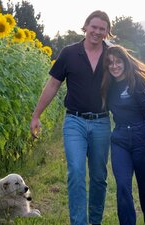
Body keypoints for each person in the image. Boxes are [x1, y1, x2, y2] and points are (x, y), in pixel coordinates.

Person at [30, 10, 112, 225]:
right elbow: (53, 85)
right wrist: (36, 115)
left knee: (98, 177)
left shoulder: (112, 55)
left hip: (102, 122)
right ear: (85, 27)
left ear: (107, 32)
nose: (97, 32)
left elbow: (126, 79)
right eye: (93, 27)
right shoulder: (69, 53)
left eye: (102, 29)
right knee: (76, 172)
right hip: (74, 121)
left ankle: (95, 221)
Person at [101, 45, 145, 225]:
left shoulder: (136, 81)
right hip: (119, 139)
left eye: (118, 61)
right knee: (123, 187)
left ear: (125, 62)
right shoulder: (108, 85)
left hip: (140, 137)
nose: (114, 66)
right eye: (110, 62)